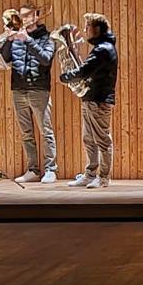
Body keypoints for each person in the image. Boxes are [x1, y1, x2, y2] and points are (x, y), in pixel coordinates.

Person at [0, 2, 57, 182]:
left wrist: (28, 40)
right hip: (18, 89)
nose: (22, 19)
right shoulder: (16, 37)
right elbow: (4, 58)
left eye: (26, 15)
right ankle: (33, 170)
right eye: (20, 16)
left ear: (36, 16)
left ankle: (50, 169)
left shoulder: (48, 38)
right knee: (26, 133)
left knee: (45, 131)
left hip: (39, 90)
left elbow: (46, 59)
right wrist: (8, 40)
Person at [62, 12, 117, 188]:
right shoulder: (101, 47)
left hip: (99, 99)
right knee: (88, 139)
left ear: (97, 29)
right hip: (90, 97)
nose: (85, 30)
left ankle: (103, 178)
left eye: (88, 26)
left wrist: (67, 76)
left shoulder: (103, 49)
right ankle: (90, 174)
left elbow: (84, 70)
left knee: (102, 140)